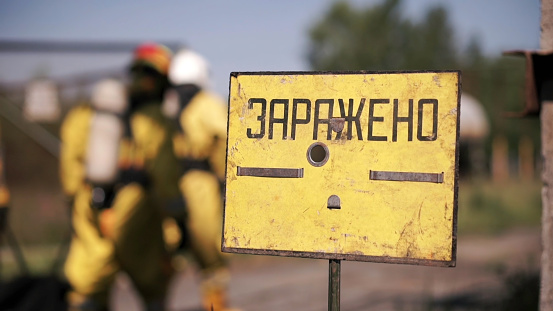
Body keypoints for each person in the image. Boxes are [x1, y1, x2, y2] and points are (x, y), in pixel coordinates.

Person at [61, 43, 180, 311]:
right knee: (150, 277)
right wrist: (174, 212)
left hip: (90, 200)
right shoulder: (154, 118)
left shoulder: (87, 112)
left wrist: (74, 196)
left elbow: (70, 160)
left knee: (88, 278)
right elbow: (164, 172)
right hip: (134, 205)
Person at [164, 48, 236, 311]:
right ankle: (216, 306)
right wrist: (225, 175)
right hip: (199, 186)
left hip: (166, 185)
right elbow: (227, 137)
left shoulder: (165, 104)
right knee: (210, 255)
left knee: (167, 250)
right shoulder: (206, 103)